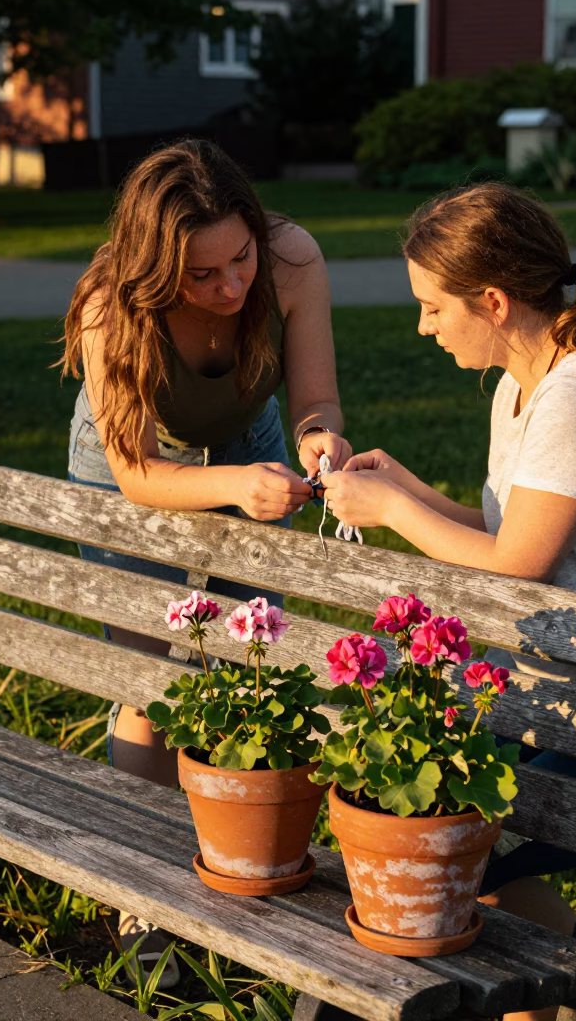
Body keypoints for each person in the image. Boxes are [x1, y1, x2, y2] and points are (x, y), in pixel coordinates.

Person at [320, 182, 576, 1021]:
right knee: (455, 843)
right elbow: (514, 527)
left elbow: (517, 567)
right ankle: (558, 1001)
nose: (424, 326)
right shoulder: (520, 383)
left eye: (434, 307)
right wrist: (411, 490)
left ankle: (566, 999)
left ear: (495, 301)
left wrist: (395, 512)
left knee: (439, 852)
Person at [61, 139, 350, 983]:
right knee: (151, 684)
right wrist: (229, 486)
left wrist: (319, 440)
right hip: (130, 470)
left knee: (247, 667)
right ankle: (145, 894)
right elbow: (138, 472)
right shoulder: (110, 307)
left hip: (250, 445)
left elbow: (316, 399)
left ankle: (241, 873)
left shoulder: (293, 260)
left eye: (240, 260)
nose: (230, 289)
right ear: (155, 269)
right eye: (201, 276)